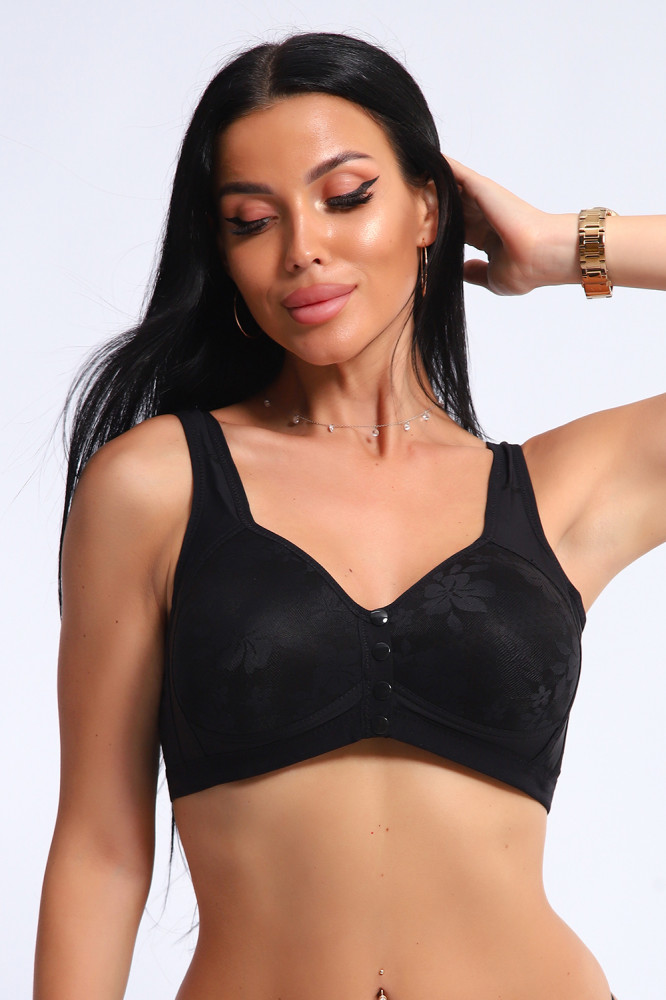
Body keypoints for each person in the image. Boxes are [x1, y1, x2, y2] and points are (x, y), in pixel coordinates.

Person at [33, 30, 665, 1000]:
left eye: (347, 196)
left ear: (427, 209)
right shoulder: (158, 486)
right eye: (252, 221)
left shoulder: (557, 492)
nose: (303, 250)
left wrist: (564, 245)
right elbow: (101, 849)